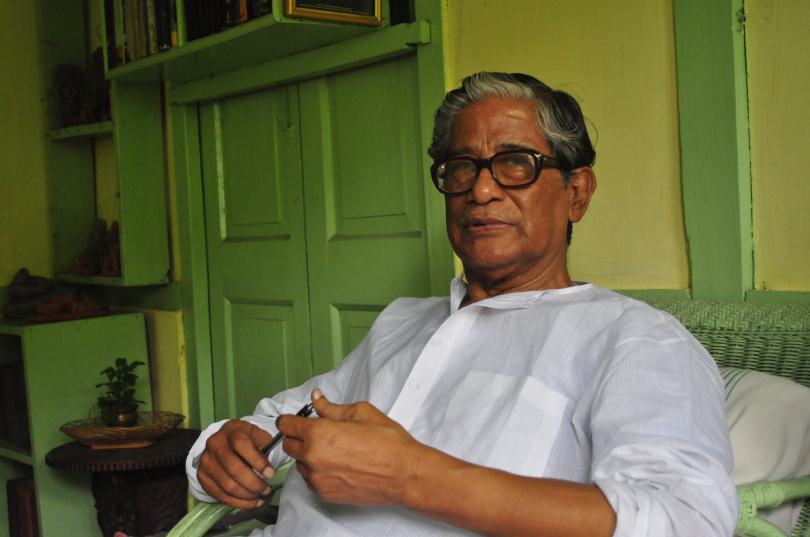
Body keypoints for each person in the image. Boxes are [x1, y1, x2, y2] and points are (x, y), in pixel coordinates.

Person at [186, 72, 738, 537]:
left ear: (576, 193)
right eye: (462, 167)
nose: (481, 190)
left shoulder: (632, 338)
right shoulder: (404, 321)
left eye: (516, 163)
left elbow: (686, 519)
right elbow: (283, 419)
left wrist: (410, 476)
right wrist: (223, 448)